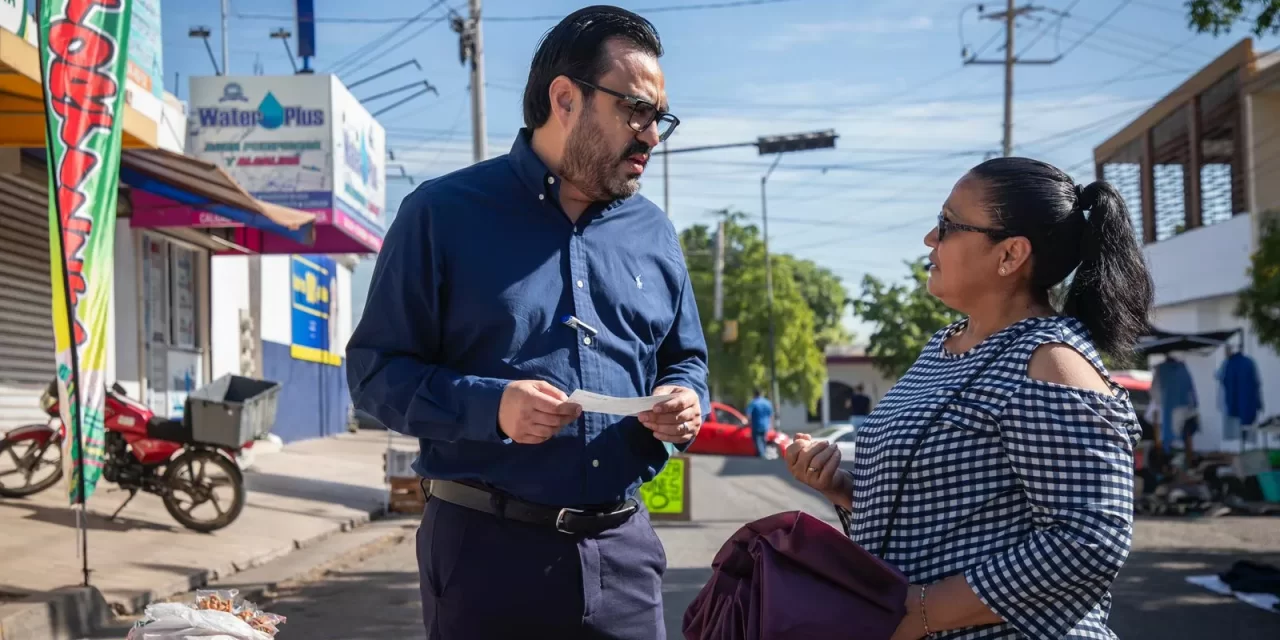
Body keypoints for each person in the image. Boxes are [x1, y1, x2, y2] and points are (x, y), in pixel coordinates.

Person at [346, 7, 709, 639]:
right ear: (565, 98)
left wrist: (685, 399)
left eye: (659, 119)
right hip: (488, 557)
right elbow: (376, 373)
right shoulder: (441, 214)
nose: (651, 136)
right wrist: (493, 408)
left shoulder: (654, 232)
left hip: (625, 553)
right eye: (636, 111)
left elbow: (687, 360)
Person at [786, 157, 1152, 639]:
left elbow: (1088, 540)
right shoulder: (944, 347)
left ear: (1010, 255)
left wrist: (921, 612)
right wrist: (845, 490)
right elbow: (948, 515)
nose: (930, 240)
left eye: (947, 225)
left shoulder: (1049, 361)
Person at [745, 389, 773, 457]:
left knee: (757, 440)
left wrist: (748, 422)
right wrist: (771, 424)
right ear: (761, 394)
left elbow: (748, 414)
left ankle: (761, 455)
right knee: (763, 439)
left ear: (754, 395)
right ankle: (763, 453)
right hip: (765, 425)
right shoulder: (767, 403)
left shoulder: (753, 402)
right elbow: (771, 415)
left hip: (756, 425)